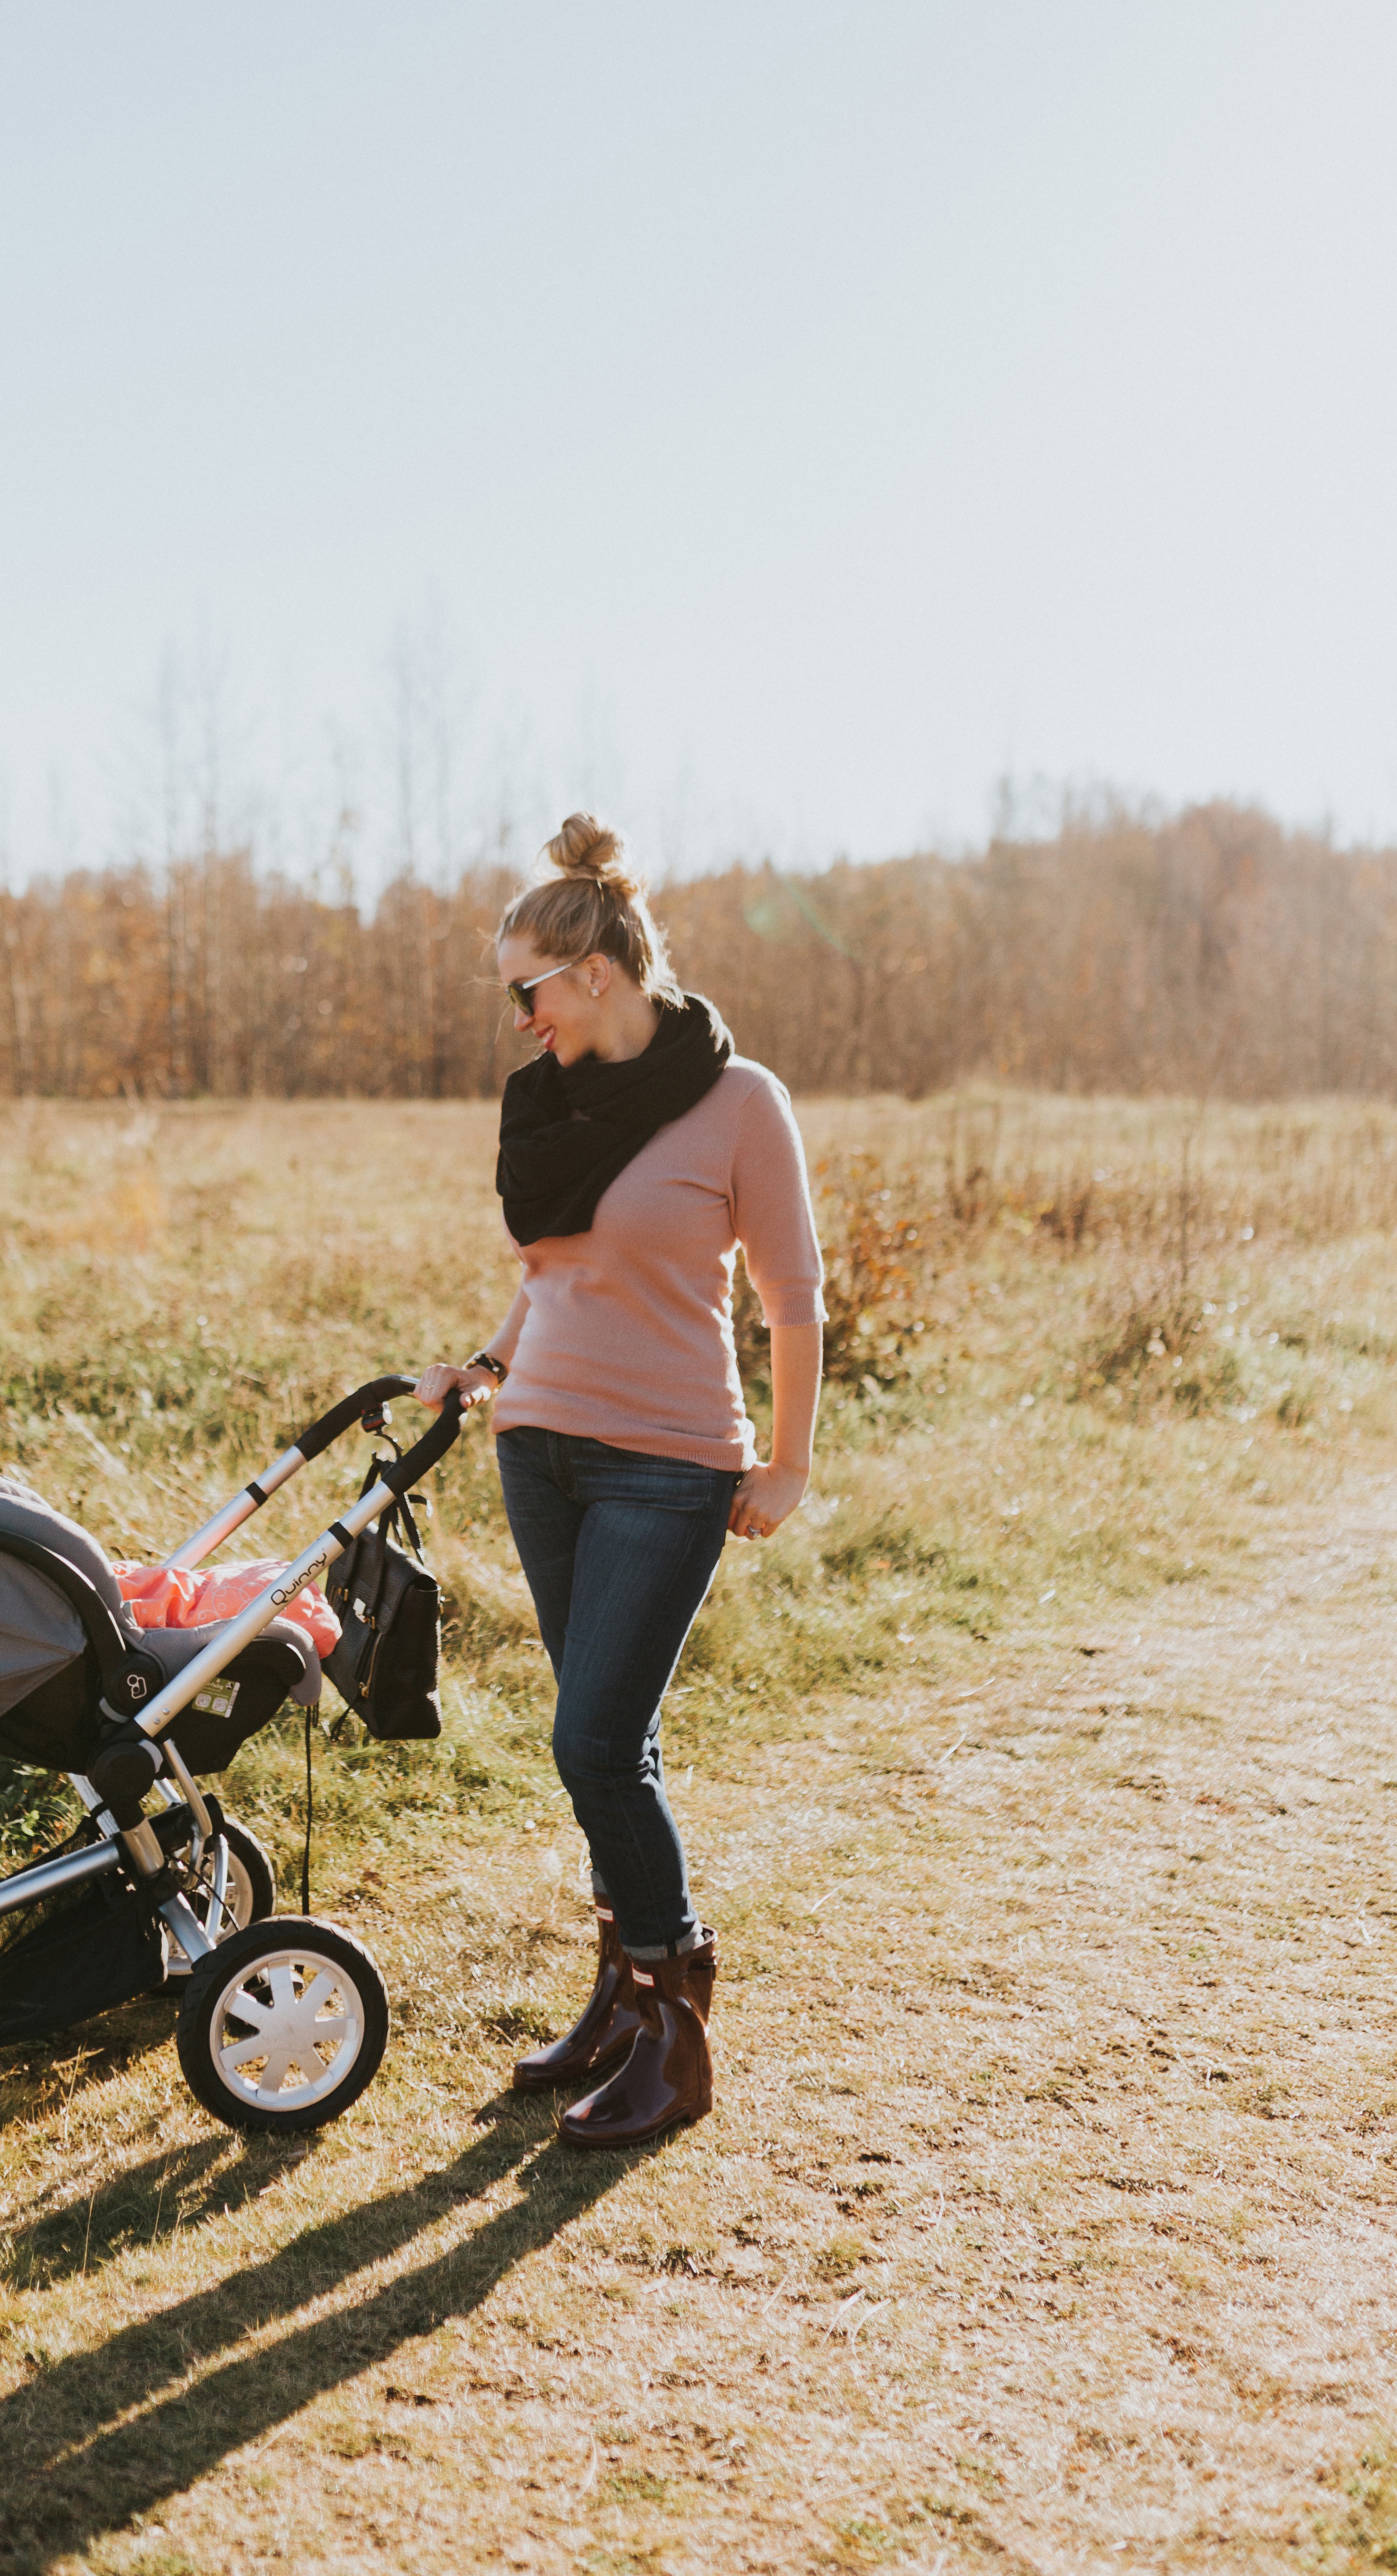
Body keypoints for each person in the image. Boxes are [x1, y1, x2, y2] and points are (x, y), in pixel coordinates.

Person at [417, 814, 823, 2148]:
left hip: (670, 1463)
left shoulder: (738, 1100)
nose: (519, 1021)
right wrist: (485, 1364)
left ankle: (676, 2028)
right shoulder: (555, 1105)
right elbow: (556, 1273)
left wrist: (790, 1459)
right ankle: (620, 1997)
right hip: (540, 1447)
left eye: (526, 990)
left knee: (593, 1742)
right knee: (608, 1750)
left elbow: (792, 1297)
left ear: (594, 972)